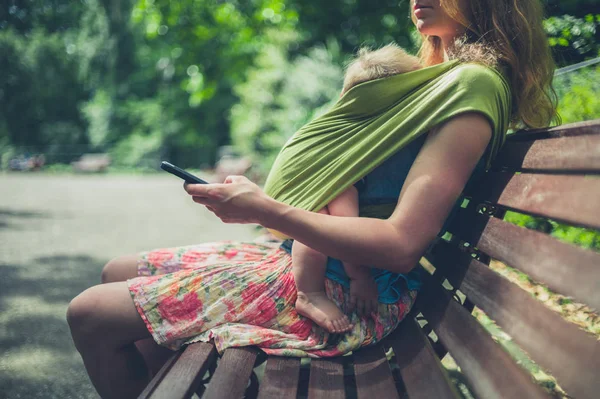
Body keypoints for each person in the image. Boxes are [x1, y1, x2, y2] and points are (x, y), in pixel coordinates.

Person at [66, 1, 559, 398]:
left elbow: (401, 242)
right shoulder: (432, 82)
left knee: (89, 312)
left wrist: (264, 208)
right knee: (117, 272)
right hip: (322, 265)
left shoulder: (471, 85)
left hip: (353, 290)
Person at [292, 43, 421, 334]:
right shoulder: (351, 148)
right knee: (317, 214)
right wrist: (359, 276)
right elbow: (343, 219)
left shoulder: (393, 144)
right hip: (336, 243)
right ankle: (309, 293)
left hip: (358, 243)